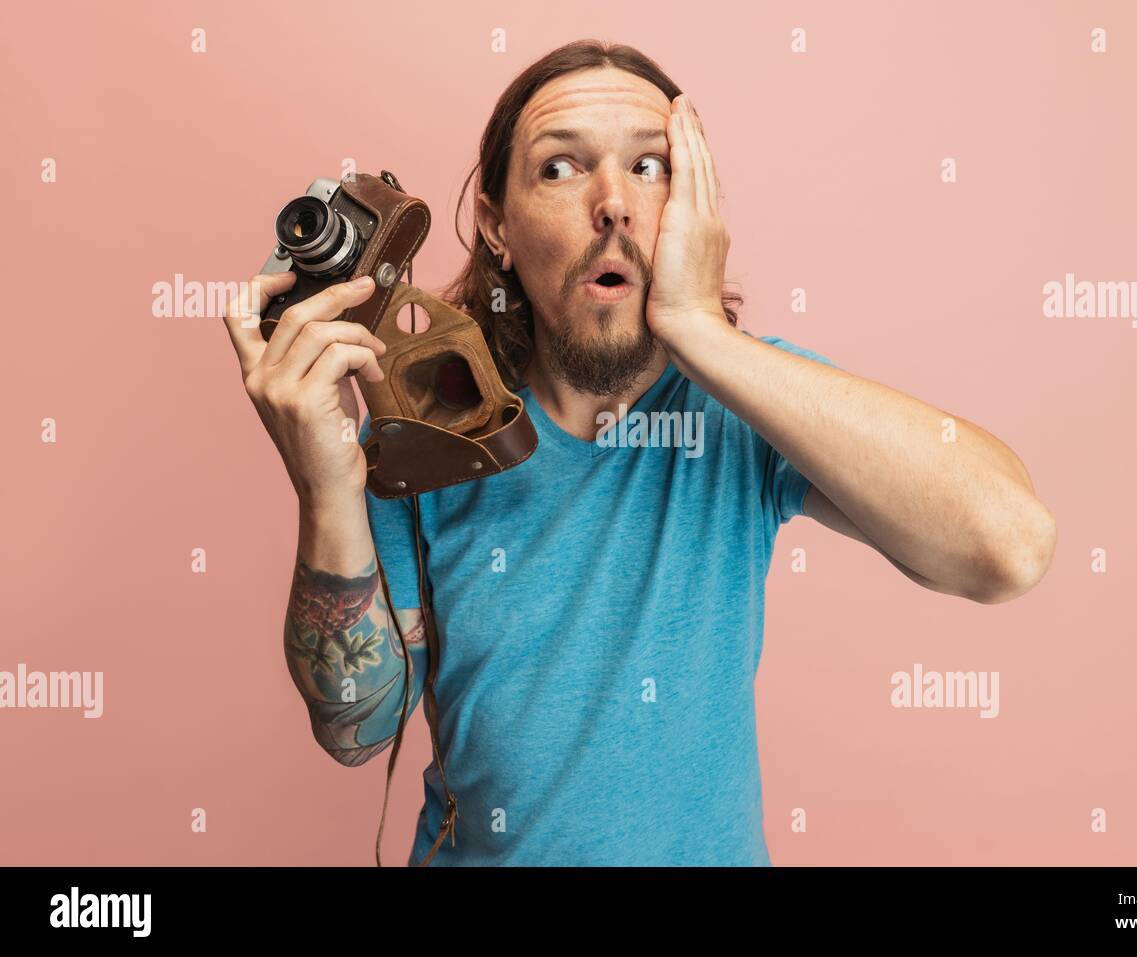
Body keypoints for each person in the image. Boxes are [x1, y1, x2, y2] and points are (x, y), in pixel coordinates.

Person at [222, 40, 1057, 866]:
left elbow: (1009, 547)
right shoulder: (426, 427)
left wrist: (697, 329)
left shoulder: (742, 403)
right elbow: (353, 727)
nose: (614, 203)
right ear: (496, 226)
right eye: (560, 168)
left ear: (694, 208)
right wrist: (326, 484)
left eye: (651, 168)